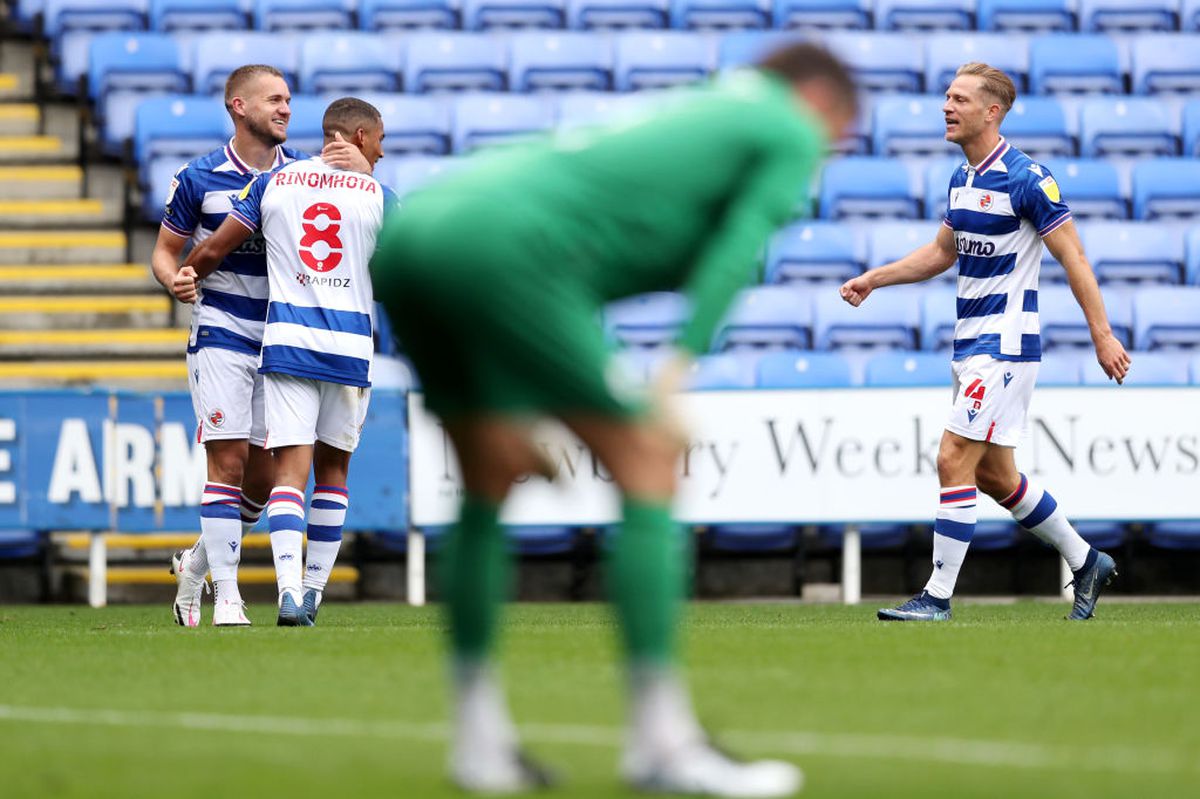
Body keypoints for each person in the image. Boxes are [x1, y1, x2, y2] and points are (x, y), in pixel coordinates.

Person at [370, 43, 854, 796]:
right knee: (648, 457)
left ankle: (479, 744)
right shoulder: (787, 125)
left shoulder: (698, 110)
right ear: (823, 102)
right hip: (510, 250)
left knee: (487, 475)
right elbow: (739, 247)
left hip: (415, 234)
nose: (828, 152)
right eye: (840, 134)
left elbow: (588, 251)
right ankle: (663, 744)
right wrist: (677, 368)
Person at [838, 62, 1130, 623]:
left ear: (992, 112)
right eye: (946, 97)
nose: (947, 107)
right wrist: (874, 278)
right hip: (970, 343)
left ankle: (937, 597)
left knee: (952, 458)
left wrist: (1103, 335)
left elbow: (1075, 258)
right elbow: (942, 253)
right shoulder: (962, 177)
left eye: (960, 99)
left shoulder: (1027, 178)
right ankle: (1086, 559)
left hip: (1005, 346)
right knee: (997, 477)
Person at [152, 65, 369, 627]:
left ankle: (197, 565)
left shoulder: (303, 173)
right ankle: (229, 596)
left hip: (282, 336)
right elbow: (166, 251)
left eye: (289, 100)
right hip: (223, 327)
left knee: (266, 480)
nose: (286, 110)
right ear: (238, 107)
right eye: (274, 100)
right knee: (225, 461)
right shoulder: (198, 177)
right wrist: (172, 279)